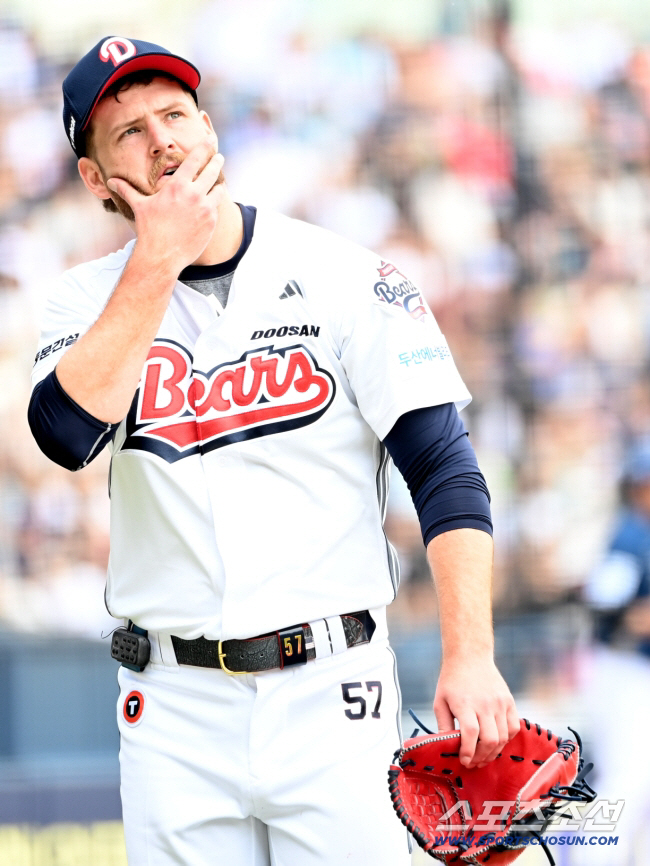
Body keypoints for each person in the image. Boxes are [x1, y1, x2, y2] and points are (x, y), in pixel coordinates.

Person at [28, 36, 519, 866]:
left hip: (335, 691)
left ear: (210, 128)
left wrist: (471, 655)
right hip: (172, 705)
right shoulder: (85, 302)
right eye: (130, 133)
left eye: (175, 115)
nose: (163, 141)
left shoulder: (344, 274)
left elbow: (444, 468)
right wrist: (158, 258)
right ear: (95, 178)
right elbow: (66, 436)